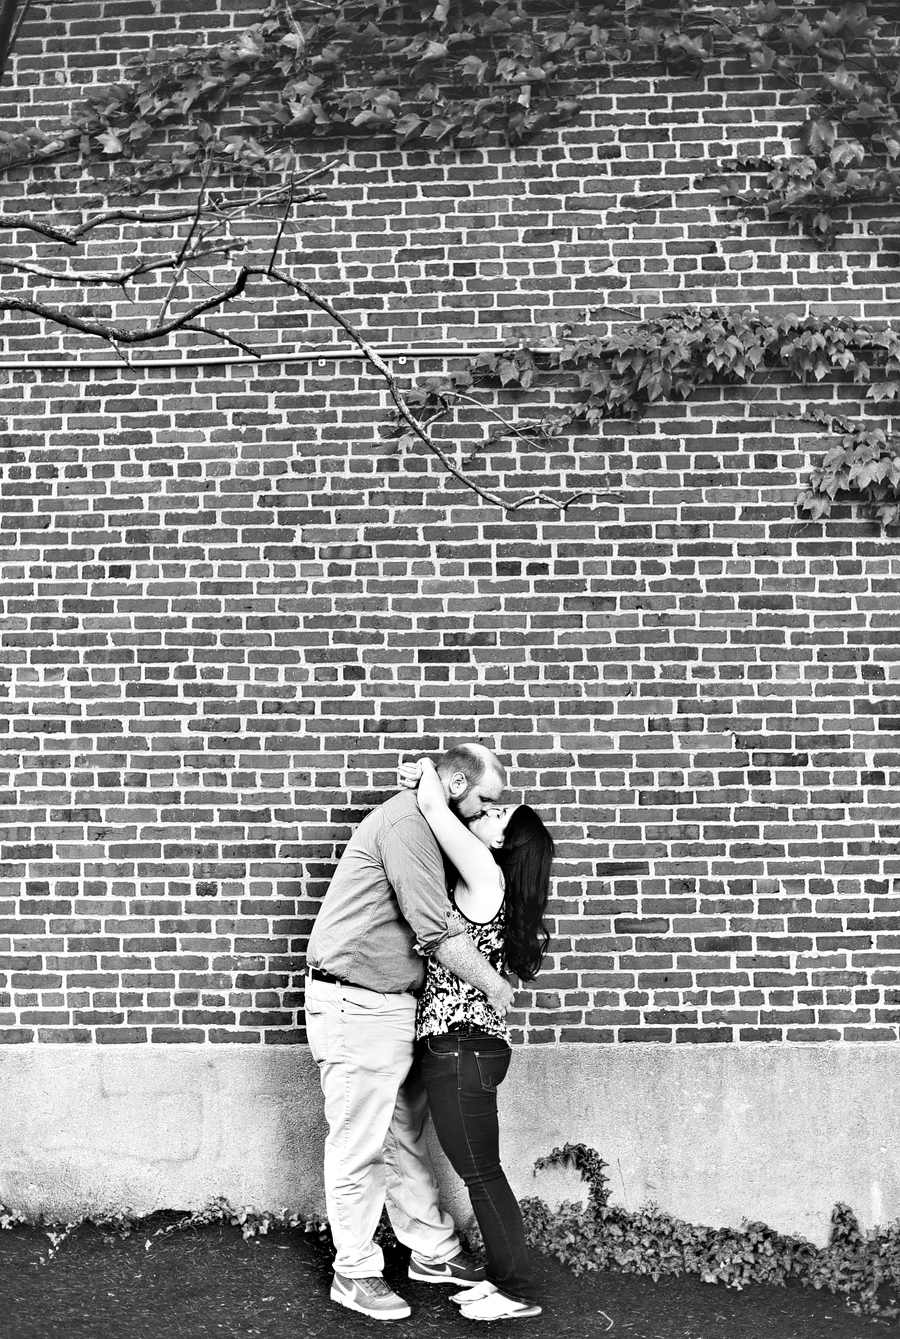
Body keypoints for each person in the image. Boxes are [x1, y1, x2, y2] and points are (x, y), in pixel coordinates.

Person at [304, 742, 517, 1321]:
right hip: (356, 1003)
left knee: (401, 1136)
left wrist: (425, 778)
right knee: (360, 1144)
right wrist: (495, 987)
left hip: (393, 1004)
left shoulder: (429, 817)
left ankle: (431, 1251)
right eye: (487, 799)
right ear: (456, 787)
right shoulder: (407, 828)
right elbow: (436, 931)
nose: (489, 810)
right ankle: (353, 1272)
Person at [397, 756, 554, 1322]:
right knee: (483, 1171)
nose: (486, 813)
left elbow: (437, 807)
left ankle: (516, 1290)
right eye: (489, 804)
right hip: (472, 1048)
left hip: (460, 1049)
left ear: (505, 842)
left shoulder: (487, 872)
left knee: (482, 1174)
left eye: (498, 812)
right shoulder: (493, 882)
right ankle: (502, 1279)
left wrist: (423, 766)